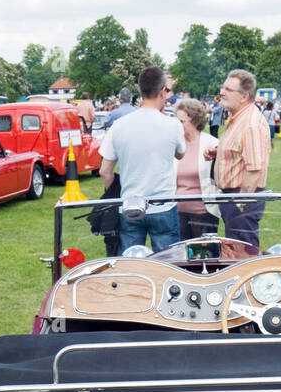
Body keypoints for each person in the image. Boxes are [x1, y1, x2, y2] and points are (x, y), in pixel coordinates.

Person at [99, 66, 185, 253]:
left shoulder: (119, 126)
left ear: (140, 91)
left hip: (130, 205)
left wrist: (113, 191)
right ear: (163, 91)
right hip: (163, 206)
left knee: (130, 267)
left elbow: (105, 171)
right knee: (167, 265)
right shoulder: (172, 125)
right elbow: (181, 153)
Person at [204, 68, 270, 254]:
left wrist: (240, 204)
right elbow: (242, 151)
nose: (221, 92)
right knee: (233, 252)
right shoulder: (238, 118)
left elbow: (255, 169)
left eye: (228, 89)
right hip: (233, 197)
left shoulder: (250, 124)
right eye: (222, 87)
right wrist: (219, 153)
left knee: (242, 255)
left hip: (241, 197)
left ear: (243, 96)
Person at [174, 98, 220, 239]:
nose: (177, 125)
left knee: (204, 257)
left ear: (194, 121)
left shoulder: (212, 144)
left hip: (204, 215)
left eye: (181, 122)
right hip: (176, 214)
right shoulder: (173, 144)